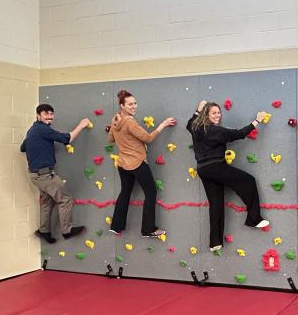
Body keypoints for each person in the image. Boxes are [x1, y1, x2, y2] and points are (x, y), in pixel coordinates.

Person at [187, 101, 270, 252]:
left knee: (216, 204)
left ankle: (215, 242)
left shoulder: (196, 128)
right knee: (248, 181)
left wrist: (197, 110)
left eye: (218, 112)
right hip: (215, 166)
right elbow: (238, 134)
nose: (217, 115)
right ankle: (254, 219)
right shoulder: (215, 131)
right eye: (213, 113)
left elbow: (189, 123)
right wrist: (257, 120)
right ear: (207, 115)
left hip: (203, 169)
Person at [108, 89, 175, 237]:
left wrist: (114, 128)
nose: (134, 106)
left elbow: (110, 139)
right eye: (130, 104)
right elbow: (148, 138)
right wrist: (162, 125)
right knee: (151, 192)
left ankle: (116, 225)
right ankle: (148, 229)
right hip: (137, 162)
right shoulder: (129, 121)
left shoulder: (116, 119)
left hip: (122, 164)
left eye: (135, 103)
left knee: (125, 192)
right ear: (122, 106)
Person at [20, 104, 89, 243]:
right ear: (38, 115)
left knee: (47, 202)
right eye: (46, 114)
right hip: (45, 175)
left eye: (51, 114)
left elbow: (23, 148)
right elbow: (66, 139)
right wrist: (81, 126)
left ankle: (44, 231)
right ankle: (67, 230)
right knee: (65, 199)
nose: (50, 117)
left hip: (35, 175)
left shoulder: (32, 131)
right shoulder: (42, 129)